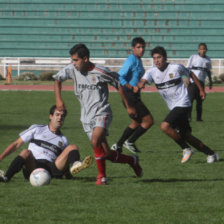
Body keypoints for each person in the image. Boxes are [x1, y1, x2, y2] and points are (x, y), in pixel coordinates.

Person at [53, 43, 142, 185]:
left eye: (76, 60)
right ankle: (132, 160)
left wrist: (128, 106)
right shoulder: (71, 69)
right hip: (86, 117)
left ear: (85, 59)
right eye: (72, 60)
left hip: (102, 112)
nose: (73, 63)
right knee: (106, 154)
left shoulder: (101, 71)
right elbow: (57, 79)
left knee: (95, 142)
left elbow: (118, 83)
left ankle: (101, 177)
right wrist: (59, 100)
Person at [138, 46, 219, 164]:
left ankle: (186, 149)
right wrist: (140, 84)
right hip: (173, 107)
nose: (157, 61)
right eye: (154, 58)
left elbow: (191, 74)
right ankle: (211, 153)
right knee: (186, 135)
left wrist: (201, 90)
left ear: (165, 58)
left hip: (183, 103)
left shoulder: (175, 67)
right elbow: (143, 80)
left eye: (159, 57)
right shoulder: (151, 71)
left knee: (165, 126)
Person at [0, 105, 93, 183]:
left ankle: (76, 163)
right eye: (57, 114)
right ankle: (6, 177)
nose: (60, 117)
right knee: (25, 152)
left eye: (62, 116)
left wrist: (69, 177)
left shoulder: (63, 139)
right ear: (51, 116)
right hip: (33, 165)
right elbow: (16, 144)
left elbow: (64, 162)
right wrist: (1, 157)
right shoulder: (37, 129)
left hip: (52, 168)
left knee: (72, 147)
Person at [111, 37, 154, 153]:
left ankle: (118, 145)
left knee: (136, 122)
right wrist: (131, 87)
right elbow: (119, 76)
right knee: (149, 121)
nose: (141, 50)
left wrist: (141, 83)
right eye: (138, 47)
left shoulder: (138, 60)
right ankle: (130, 142)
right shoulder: (131, 60)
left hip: (134, 95)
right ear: (133, 48)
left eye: (143, 47)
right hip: (129, 96)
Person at [186, 43, 212, 121]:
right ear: (198, 50)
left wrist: (210, 81)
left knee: (200, 101)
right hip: (192, 82)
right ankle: (188, 117)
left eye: (204, 49)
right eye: (201, 49)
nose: (203, 50)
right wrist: (187, 77)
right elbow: (188, 69)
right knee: (190, 100)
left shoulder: (208, 59)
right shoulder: (193, 57)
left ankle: (199, 118)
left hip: (201, 82)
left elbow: (208, 71)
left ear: (206, 50)